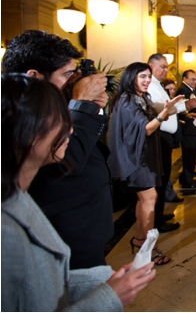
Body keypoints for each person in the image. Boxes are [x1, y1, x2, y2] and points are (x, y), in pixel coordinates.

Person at [1, 74, 156, 311]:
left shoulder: (16, 195)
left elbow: (44, 283)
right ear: (26, 130)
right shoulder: (6, 231)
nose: (70, 128)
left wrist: (100, 281)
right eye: (58, 120)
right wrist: (110, 296)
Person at [1, 30, 114, 270]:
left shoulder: (56, 102)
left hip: (83, 230)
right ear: (34, 76)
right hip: (62, 235)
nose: (73, 81)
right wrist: (81, 104)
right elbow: (66, 160)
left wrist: (90, 107)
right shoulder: (15, 114)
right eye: (67, 74)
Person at [108, 62, 183, 265]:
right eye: (142, 76)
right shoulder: (126, 101)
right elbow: (146, 129)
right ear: (130, 77)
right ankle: (146, 247)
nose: (147, 80)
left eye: (149, 76)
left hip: (144, 155)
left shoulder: (140, 97)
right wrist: (163, 113)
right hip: (135, 157)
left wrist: (168, 109)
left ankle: (140, 240)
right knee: (149, 198)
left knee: (147, 199)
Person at [147, 54, 192, 233]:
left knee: (163, 177)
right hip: (159, 135)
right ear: (151, 66)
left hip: (164, 137)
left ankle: (159, 214)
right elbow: (160, 108)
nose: (165, 70)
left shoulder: (158, 85)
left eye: (166, 67)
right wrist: (184, 106)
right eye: (162, 66)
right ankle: (156, 221)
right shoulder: (150, 85)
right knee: (160, 179)